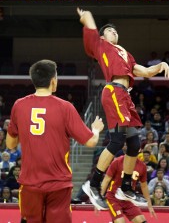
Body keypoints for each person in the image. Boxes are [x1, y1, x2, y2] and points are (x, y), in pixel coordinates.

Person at [77, 7, 169, 209]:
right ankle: (93, 184)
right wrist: (87, 16)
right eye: (110, 30)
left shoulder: (125, 53)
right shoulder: (101, 45)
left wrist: (162, 65)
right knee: (117, 140)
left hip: (125, 95)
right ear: (103, 36)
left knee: (133, 145)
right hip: (113, 91)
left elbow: (146, 71)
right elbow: (91, 29)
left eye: (116, 30)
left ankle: (126, 187)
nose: (114, 32)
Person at [6, 59, 104, 223]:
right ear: (53, 81)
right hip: (58, 184)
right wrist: (96, 129)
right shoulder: (65, 107)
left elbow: (10, 144)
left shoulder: (19, 105)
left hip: (30, 183)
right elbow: (91, 142)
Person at [101, 155, 157, 223]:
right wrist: (99, 198)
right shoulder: (117, 161)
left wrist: (150, 205)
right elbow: (106, 179)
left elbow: (144, 186)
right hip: (113, 197)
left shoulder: (142, 166)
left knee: (142, 221)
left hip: (129, 199)